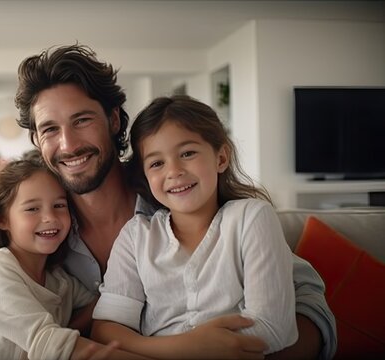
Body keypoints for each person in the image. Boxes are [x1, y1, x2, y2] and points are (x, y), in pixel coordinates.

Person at [0, 44, 336, 360]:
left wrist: (246, 351)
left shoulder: (178, 196)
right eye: (50, 129)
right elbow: (7, 317)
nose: (69, 144)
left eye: (81, 120)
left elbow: (304, 298)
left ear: (113, 120)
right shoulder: (42, 231)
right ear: (37, 142)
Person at [91, 95, 298, 358]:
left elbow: (274, 328)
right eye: (156, 163)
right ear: (145, 175)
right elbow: (106, 330)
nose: (174, 171)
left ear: (221, 158)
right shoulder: (136, 236)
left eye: (187, 153)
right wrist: (186, 347)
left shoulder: (252, 218)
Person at [0, 158, 147, 360]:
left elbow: (101, 304)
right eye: (32, 209)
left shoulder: (61, 281)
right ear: (2, 219)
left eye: (59, 205)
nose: (50, 217)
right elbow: (47, 341)